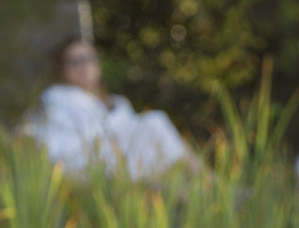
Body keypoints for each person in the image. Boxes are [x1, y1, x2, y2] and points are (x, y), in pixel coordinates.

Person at [27, 37, 198, 181]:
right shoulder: (56, 98)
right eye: (75, 62)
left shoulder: (117, 102)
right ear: (62, 68)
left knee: (157, 129)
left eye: (89, 58)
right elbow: (55, 142)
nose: (83, 66)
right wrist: (108, 139)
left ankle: (199, 186)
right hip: (90, 165)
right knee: (155, 122)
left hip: (125, 160)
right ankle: (206, 183)